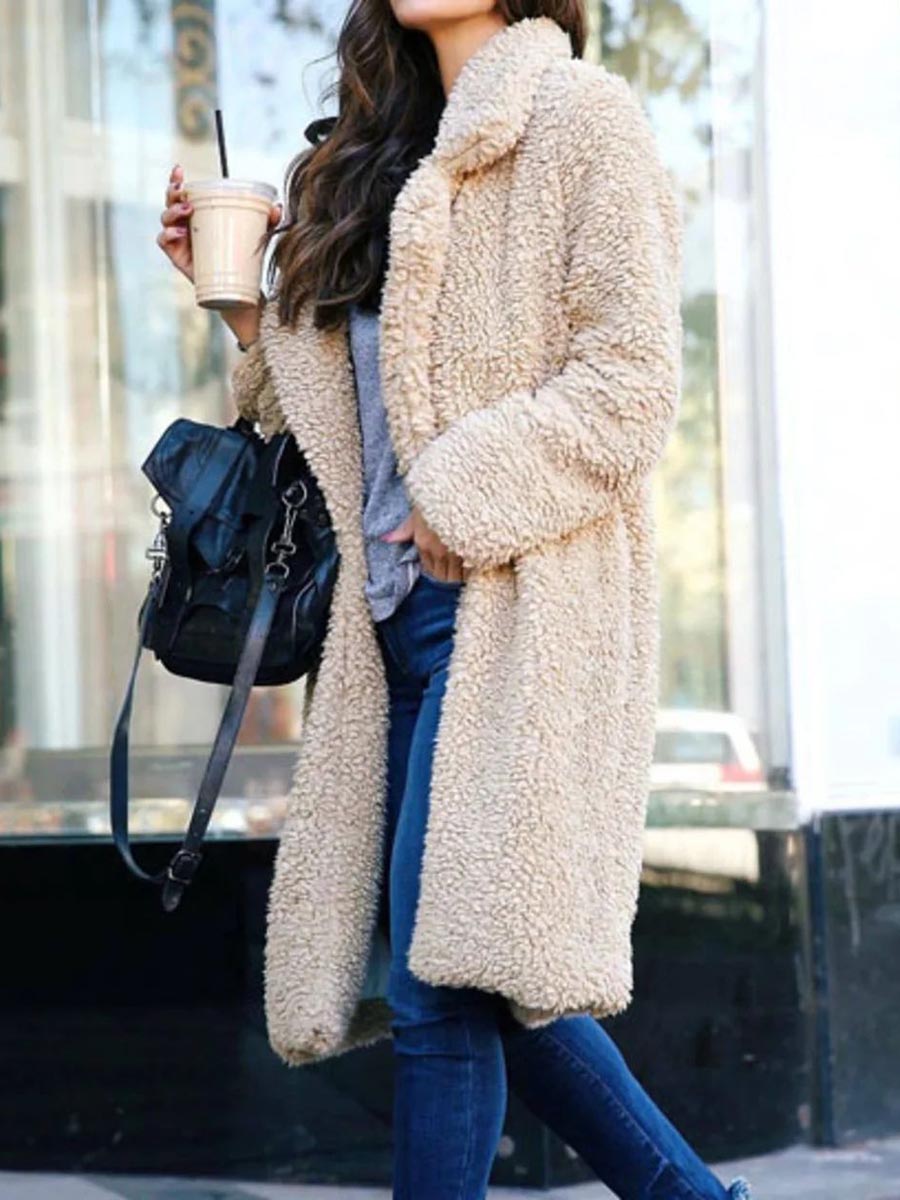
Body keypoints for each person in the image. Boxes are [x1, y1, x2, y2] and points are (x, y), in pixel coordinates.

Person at [158, 3, 755, 1198]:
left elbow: (632, 384)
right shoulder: (375, 155)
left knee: (441, 992)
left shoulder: (581, 121)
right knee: (485, 980)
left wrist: (460, 493)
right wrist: (239, 305)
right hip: (385, 633)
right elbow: (344, 433)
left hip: (514, 617)